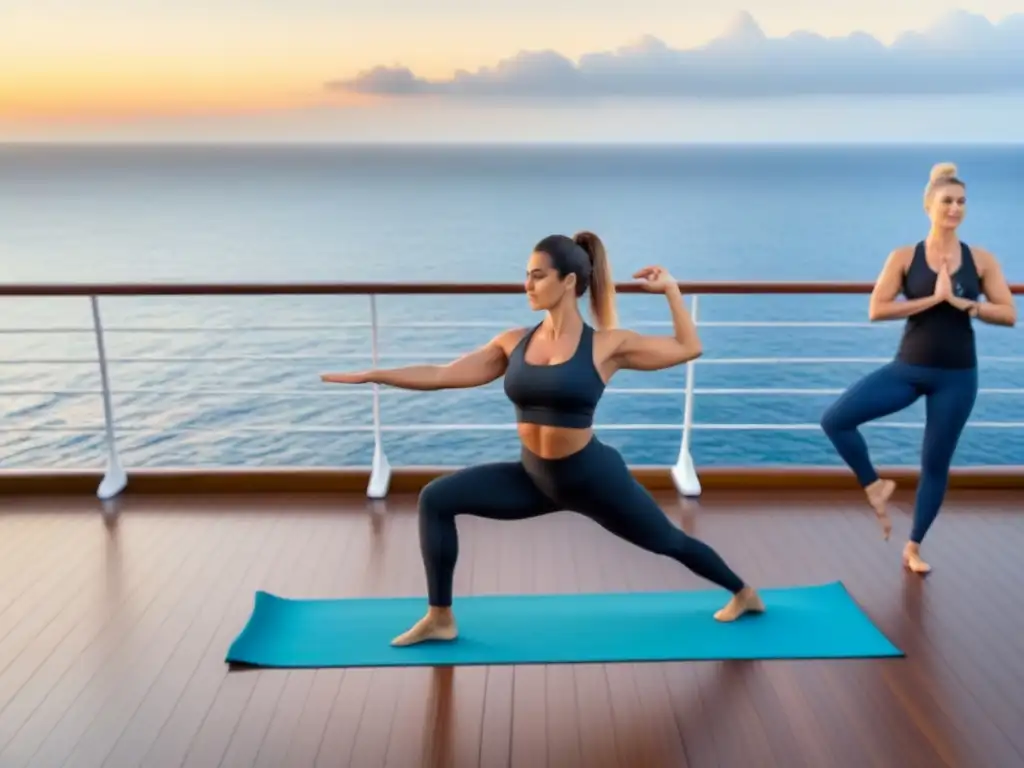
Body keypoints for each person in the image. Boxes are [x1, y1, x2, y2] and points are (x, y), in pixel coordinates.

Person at [321, 231, 764, 646]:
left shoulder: (608, 346)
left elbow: (689, 348)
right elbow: (442, 375)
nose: (527, 285)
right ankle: (440, 618)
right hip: (534, 478)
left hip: (593, 480)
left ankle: (744, 593)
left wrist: (671, 291)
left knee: (669, 542)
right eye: (526, 276)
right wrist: (375, 375)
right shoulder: (513, 342)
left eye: (537, 276)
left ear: (569, 281)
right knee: (436, 499)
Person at [820, 162, 1016, 574]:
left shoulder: (980, 260)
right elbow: (877, 309)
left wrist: (965, 304)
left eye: (962, 202)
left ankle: (913, 546)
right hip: (908, 369)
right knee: (836, 419)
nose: (955, 208)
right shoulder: (904, 257)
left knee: (935, 463)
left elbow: (1008, 313)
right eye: (947, 201)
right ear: (929, 205)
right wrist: (933, 299)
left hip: (958, 376)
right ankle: (875, 485)